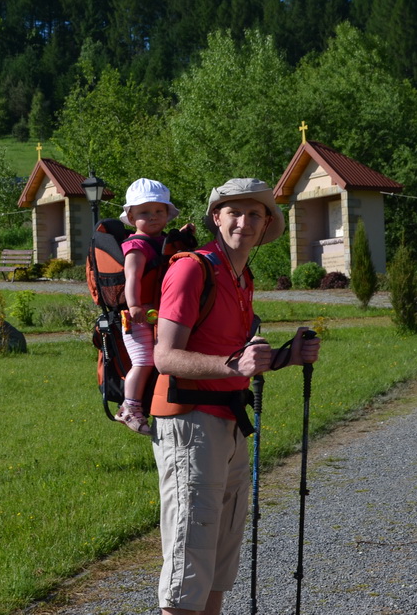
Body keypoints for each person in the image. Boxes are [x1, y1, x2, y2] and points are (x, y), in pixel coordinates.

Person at [150, 178, 321, 615]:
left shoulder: (241, 276)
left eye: (254, 214)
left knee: (219, 561)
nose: (244, 221)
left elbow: (241, 357)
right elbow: (164, 356)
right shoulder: (193, 268)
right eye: (234, 212)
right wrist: (233, 366)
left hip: (229, 424)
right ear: (216, 218)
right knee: (189, 564)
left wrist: (287, 355)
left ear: (266, 226)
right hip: (190, 425)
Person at [114, 178, 181, 436]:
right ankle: (128, 408)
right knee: (142, 361)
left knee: (159, 359)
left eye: (159, 211)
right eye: (144, 213)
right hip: (137, 317)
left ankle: (151, 402)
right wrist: (134, 305)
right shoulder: (136, 246)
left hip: (157, 316)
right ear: (131, 216)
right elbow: (132, 278)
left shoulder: (162, 241)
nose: (153, 217)